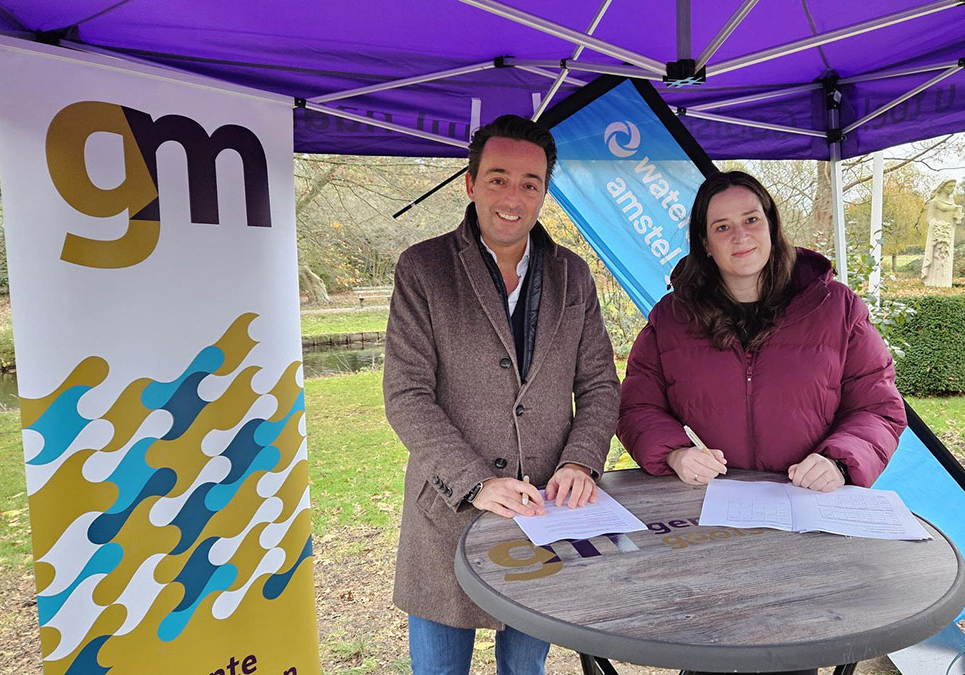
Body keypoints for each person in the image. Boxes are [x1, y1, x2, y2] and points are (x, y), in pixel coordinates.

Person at [618, 171, 906, 675]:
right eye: (722, 227)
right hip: (712, 526)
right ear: (704, 243)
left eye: (751, 220)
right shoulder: (671, 317)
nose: (741, 236)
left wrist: (840, 461)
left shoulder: (837, 308)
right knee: (712, 648)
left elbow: (878, 407)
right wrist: (675, 453)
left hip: (810, 523)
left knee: (792, 652)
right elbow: (637, 406)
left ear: (772, 226)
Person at [383, 115, 620, 675]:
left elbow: (600, 385)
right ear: (470, 183)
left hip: (543, 514)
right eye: (497, 178)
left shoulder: (573, 276)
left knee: (525, 670)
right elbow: (406, 395)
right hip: (446, 515)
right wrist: (477, 483)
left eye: (530, 183)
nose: (513, 197)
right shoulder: (424, 268)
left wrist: (581, 460)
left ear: (545, 190)